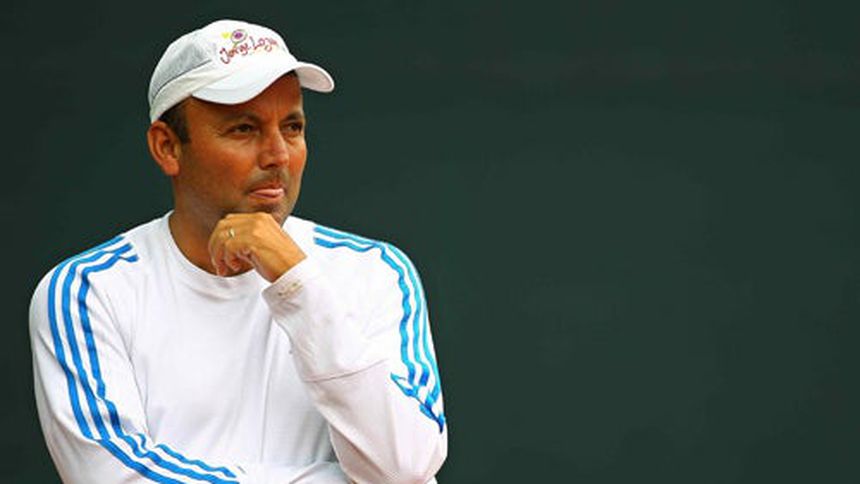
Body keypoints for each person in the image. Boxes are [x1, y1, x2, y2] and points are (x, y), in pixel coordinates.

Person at [29, 19, 447, 484]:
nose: (278, 155)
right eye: (244, 129)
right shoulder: (88, 291)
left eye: (292, 126)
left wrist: (298, 283)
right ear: (167, 147)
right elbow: (115, 478)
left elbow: (408, 463)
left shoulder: (375, 271)